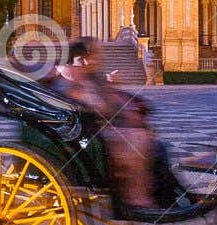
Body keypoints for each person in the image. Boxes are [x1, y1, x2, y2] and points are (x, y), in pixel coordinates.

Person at [55, 39, 158, 210]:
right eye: (92, 55)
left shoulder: (88, 78)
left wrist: (110, 89)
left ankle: (146, 192)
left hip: (94, 130)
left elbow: (106, 107)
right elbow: (94, 108)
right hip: (83, 138)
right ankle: (137, 198)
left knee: (144, 136)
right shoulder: (71, 80)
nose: (96, 59)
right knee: (137, 139)